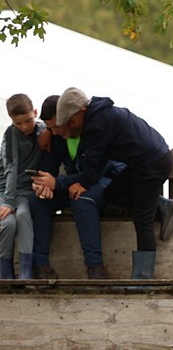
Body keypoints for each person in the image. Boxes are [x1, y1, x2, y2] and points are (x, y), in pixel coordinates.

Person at [46, 87, 173, 279]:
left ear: (82, 110)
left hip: (152, 163)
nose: (72, 126)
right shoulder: (95, 117)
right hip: (140, 163)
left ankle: (143, 280)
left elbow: (92, 165)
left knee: (142, 219)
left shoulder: (98, 123)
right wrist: (48, 133)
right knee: (112, 194)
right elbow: (88, 153)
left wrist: (81, 184)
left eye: (72, 121)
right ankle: (162, 205)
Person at [28, 95, 125, 280]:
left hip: (105, 180)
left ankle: (95, 270)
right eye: (50, 128)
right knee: (36, 200)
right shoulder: (56, 136)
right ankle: (41, 267)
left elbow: (93, 173)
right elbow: (48, 168)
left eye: (56, 126)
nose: (54, 132)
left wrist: (56, 183)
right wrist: (44, 185)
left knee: (81, 199)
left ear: (69, 119)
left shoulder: (92, 131)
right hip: (75, 182)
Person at [0, 94, 44, 279]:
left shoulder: (43, 129)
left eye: (28, 120)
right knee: (7, 223)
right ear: (11, 121)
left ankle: (26, 272)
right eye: (19, 123)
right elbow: (11, 168)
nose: (24, 127)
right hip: (5, 190)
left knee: (24, 214)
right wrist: (8, 202)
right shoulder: (11, 134)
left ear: (35, 112)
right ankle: (5, 273)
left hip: (26, 190)